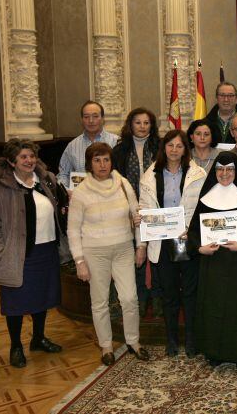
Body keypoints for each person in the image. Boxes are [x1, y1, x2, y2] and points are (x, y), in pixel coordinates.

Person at [0, 139, 67, 368]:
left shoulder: (46, 180)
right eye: (23, 157)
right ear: (11, 161)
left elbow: (59, 209)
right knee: (15, 302)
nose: (29, 161)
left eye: (32, 156)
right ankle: (16, 346)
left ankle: (38, 338)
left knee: (43, 298)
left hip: (46, 250)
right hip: (17, 254)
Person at [67, 143, 148, 365]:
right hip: (95, 252)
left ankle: (133, 342)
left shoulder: (123, 184)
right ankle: (105, 346)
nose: (102, 165)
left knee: (130, 299)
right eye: (97, 160)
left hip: (123, 248)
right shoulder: (82, 192)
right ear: (89, 164)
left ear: (112, 161)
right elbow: (73, 230)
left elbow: (136, 215)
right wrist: (79, 261)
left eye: (106, 160)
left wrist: (141, 246)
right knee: (100, 301)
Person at [187, 152, 237, 368]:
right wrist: (199, 248)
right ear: (215, 172)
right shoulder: (206, 197)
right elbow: (194, 230)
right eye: (220, 169)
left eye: (229, 169)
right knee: (214, 307)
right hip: (213, 263)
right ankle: (215, 351)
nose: (224, 174)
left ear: (236, 171)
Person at [139, 130, 207, 357]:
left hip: (188, 241)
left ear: (185, 149)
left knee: (190, 293)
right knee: (169, 294)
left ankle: (191, 340)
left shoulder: (197, 174)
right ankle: (171, 340)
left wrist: (193, 230)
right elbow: (144, 208)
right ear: (164, 148)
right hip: (163, 242)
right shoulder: (150, 176)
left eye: (179, 146)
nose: (175, 150)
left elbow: (202, 208)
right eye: (170, 145)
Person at [112, 107, 161, 318]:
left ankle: (157, 296)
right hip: (129, 209)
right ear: (130, 125)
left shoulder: (160, 147)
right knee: (137, 255)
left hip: (156, 207)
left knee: (157, 254)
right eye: (138, 122)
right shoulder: (120, 150)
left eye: (146, 123)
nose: (142, 127)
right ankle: (141, 297)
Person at [58, 101, 119, 188]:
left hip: (110, 196)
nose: (91, 121)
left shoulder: (115, 142)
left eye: (95, 116)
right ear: (82, 120)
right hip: (81, 197)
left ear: (102, 118)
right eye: (86, 117)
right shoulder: (72, 146)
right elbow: (63, 174)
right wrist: (67, 191)